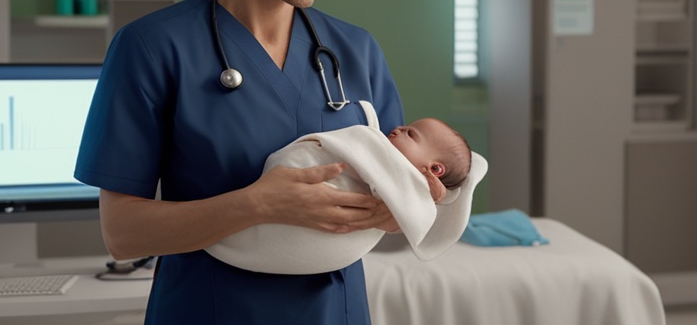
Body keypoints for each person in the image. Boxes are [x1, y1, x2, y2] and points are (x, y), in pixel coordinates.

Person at [74, 0, 403, 325]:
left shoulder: (356, 52)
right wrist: (256, 204)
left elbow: (404, 191)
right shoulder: (152, 47)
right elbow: (122, 233)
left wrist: (405, 208)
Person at [205, 100, 486, 275]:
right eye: (404, 127)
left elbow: (408, 221)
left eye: (411, 134)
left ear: (433, 169)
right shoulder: (374, 145)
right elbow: (353, 148)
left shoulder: (406, 183)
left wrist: (423, 199)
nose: (397, 129)